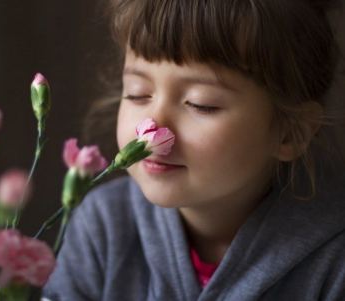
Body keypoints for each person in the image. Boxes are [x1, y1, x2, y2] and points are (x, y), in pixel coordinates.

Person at [43, 0, 345, 300]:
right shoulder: (103, 227)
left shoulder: (334, 261)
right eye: (138, 94)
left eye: (201, 104)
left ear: (290, 133)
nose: (151, 128)